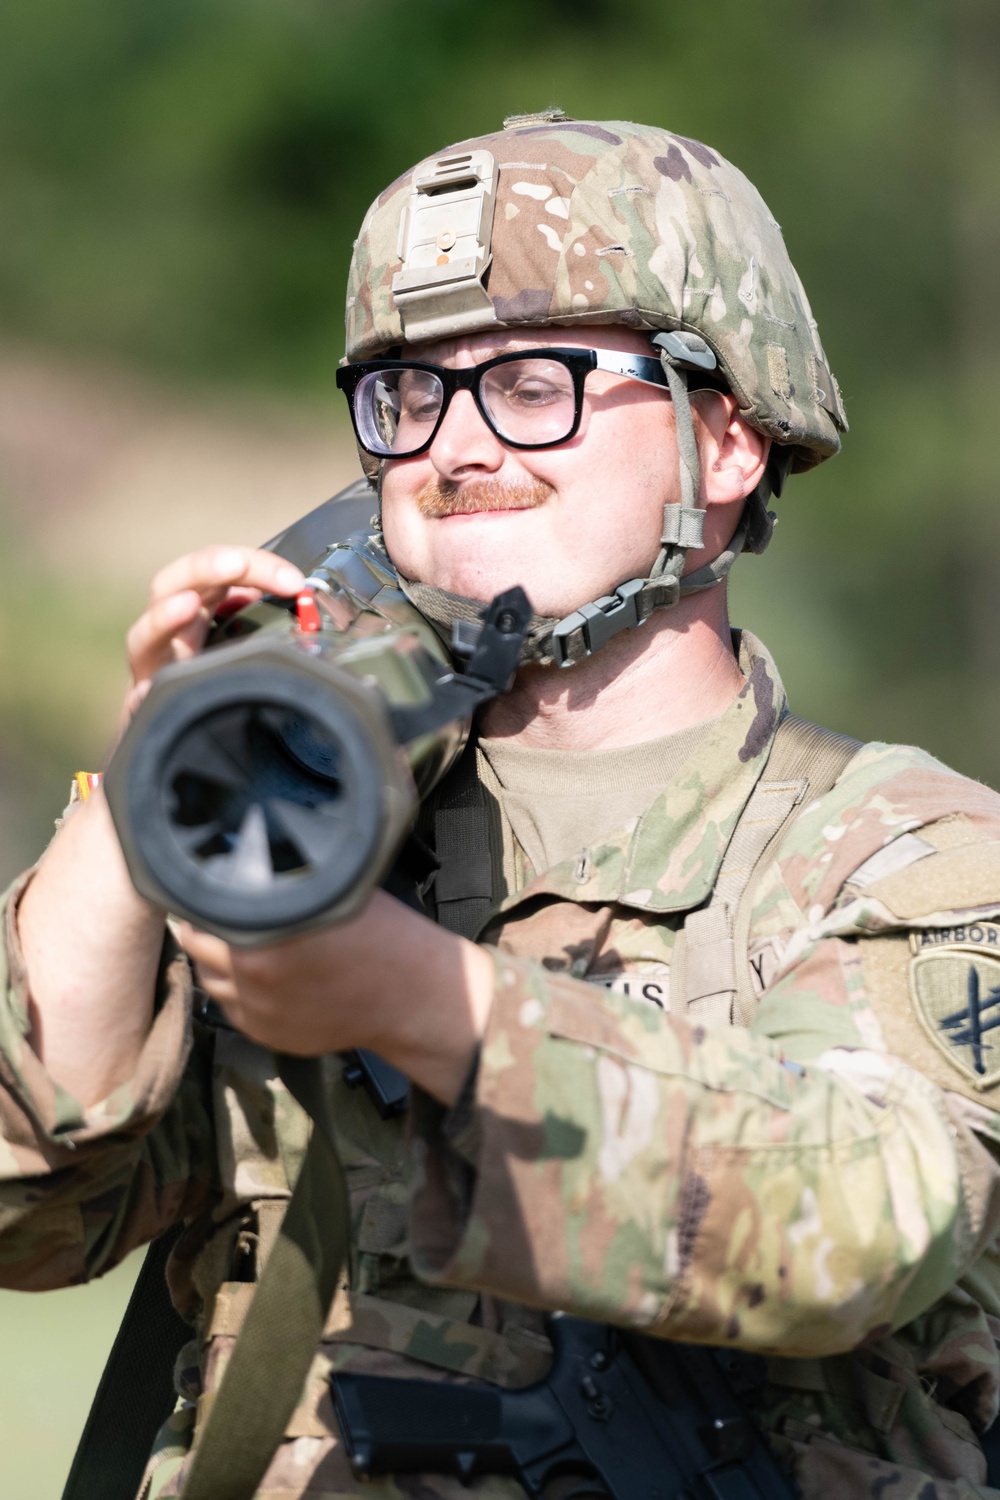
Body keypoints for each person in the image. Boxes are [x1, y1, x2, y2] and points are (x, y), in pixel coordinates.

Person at [6, 110, 1000, 1500]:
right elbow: (27, 1218)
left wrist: (420, 1001)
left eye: (537, 383)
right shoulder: (306, 813)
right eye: (406, 393)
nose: (455, 447)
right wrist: (151, 775)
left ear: (727, 440)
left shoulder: (909, 848)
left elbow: (863, 1222)